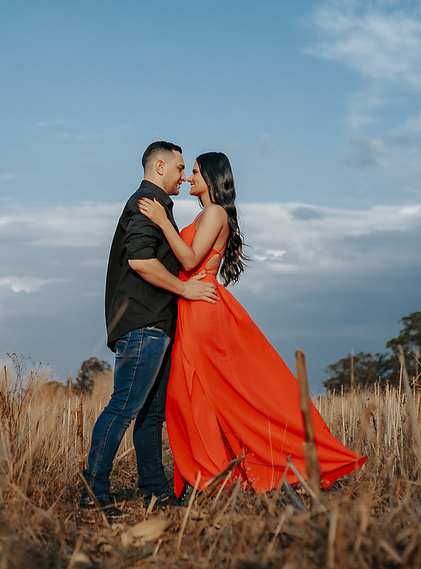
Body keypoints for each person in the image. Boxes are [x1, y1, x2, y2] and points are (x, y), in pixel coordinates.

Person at [138, 151, 365, 496]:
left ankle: (223, 473)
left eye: (194, 172)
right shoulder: (205, 214)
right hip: (190, 307)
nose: (187, 177)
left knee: (210, 396)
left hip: (203, 310)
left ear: (212, 178)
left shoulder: (214, 213)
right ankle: (209, 475)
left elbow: (189, 258)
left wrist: (162, 220)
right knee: (193, 397)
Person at [80, 141, 219, 519]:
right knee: (124, 407)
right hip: (143, 323)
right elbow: (141, 261)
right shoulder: (145, 202)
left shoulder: (159, 208)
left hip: (155, 325)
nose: (182, 176)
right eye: (178, 168)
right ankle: (94, 489)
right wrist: (186, 288)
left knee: (149, 416)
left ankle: (156, 493)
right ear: (159, 166)